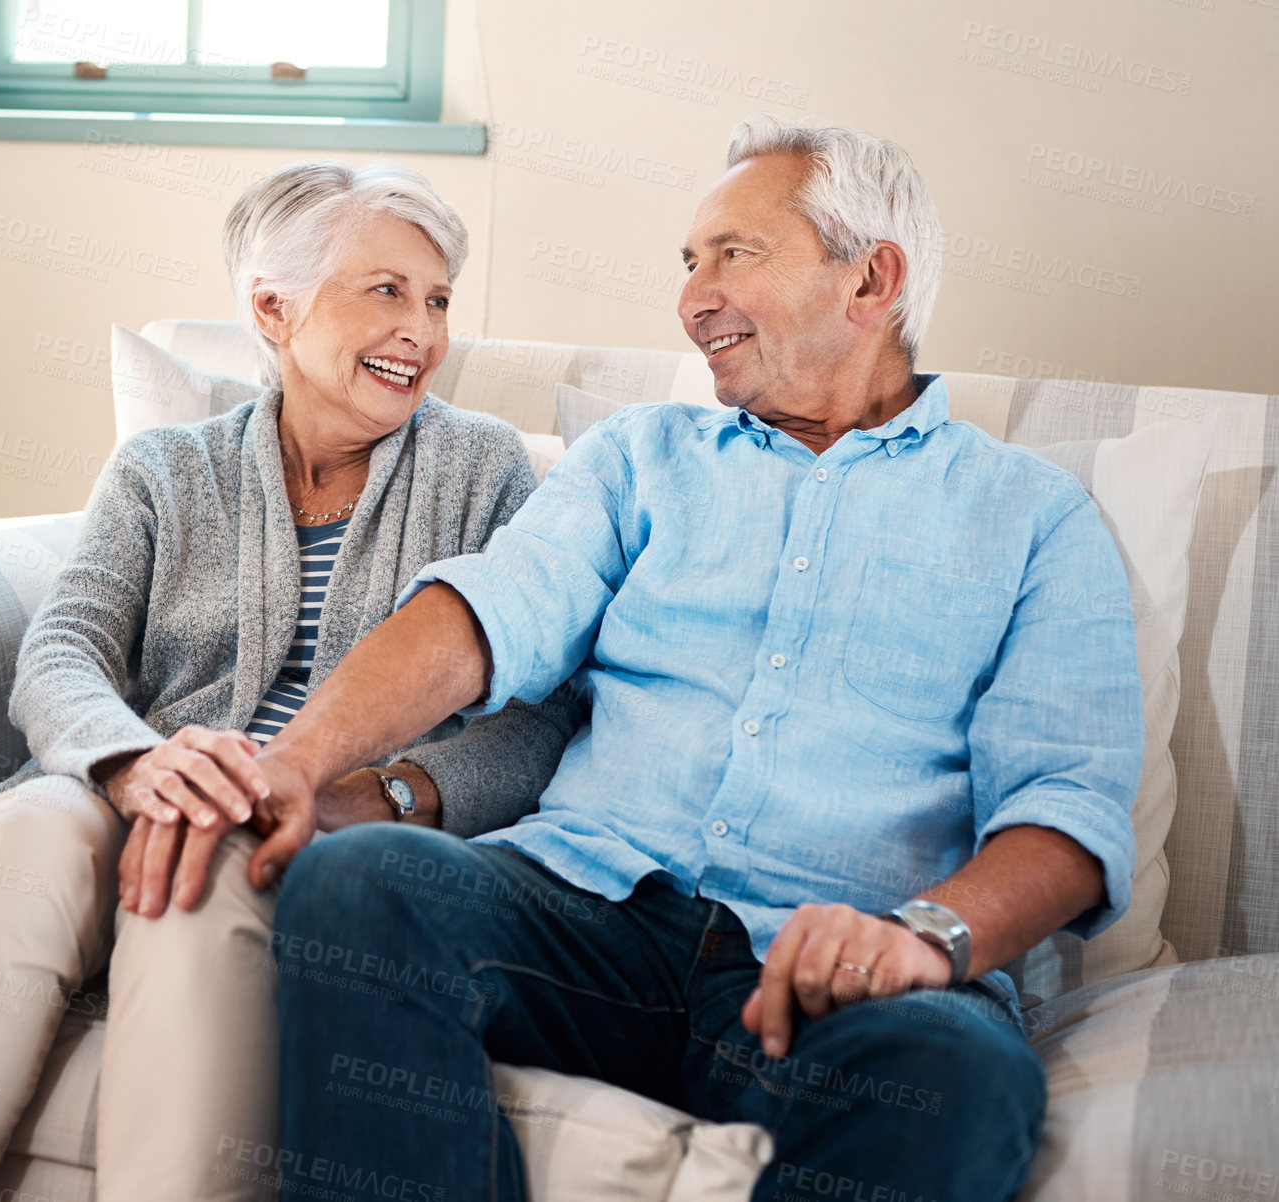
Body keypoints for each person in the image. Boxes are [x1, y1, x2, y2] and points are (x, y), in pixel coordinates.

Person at [237, 115, 1145, 1202]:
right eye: (688, 261)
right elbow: (488, 614)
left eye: (734, 255)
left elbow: (1069, 807)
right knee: (361, 883)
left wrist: (928, 936)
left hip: (841, 968)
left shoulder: (1035, 517)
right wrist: (295, 761)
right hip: (587, 909)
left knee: (961, 1075)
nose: (692, 295)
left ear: (871, 281)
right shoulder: (639, 456)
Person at [0, 162, 579, 1202]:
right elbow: (62, 649)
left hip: (315, 829)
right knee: (20, 832)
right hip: (135, 780)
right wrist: (136, 762)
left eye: (437, 301)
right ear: (274, 308)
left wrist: (382, 792)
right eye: (386, 291)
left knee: (203, 869)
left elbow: (539, 715)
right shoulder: (165, 470)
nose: (422, 332)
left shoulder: (486, 470)